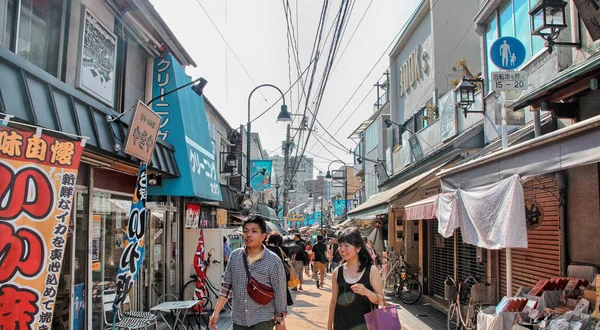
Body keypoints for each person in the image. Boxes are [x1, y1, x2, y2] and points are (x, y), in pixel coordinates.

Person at [209, 215, 287, 330]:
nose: (249, 235)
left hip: (263, 319)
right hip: (239, 319)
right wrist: (216, 312)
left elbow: (280, 292)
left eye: (254, 231)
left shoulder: (273, 261)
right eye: (246, 231)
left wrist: (280, 321)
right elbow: (226, 286)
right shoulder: (235, 256)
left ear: (263, 236)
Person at [328, 228, 384, 330]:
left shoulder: (371, 270)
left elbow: (381, 300)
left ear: (358, 248)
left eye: (346, 246)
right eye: (340, 245)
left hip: (366, 326)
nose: (342, 249)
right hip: (341, 325)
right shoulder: (337, 272)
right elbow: (333, 301)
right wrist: (329, 325)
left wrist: (367, 292)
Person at [266, 232, 294, 306]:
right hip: (280, 280)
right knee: (279, 305)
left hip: (264, 282)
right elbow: (296, 248)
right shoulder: (282, 249)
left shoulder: (263, 250)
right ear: (279, 242)